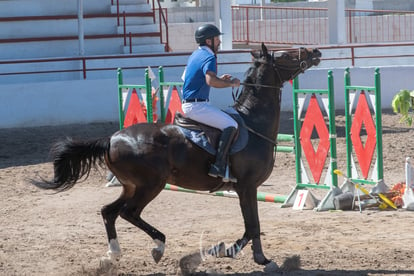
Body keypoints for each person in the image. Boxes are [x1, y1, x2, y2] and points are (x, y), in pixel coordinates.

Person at [182, 23, 240, 182]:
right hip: (197, 106)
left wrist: (220, 79)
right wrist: (231, 84)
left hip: (192, 103)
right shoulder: (209, 57)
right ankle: (219, 166)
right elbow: (210, 81)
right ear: (209, 41)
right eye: (217, 39)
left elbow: (190, 78)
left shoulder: (195, 55)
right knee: (231, 125)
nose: (219, 42)